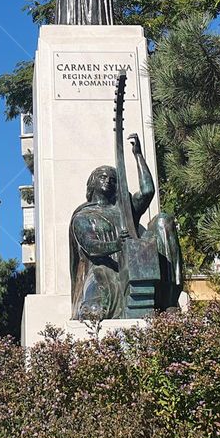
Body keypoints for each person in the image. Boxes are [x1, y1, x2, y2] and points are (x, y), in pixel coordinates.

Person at [69, 134, 183, 320]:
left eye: (113, 179)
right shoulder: (83, 216)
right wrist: (117, 244)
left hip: (134, 263)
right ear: (92, 183)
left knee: (163, 221)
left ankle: (169, 301)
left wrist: (138, 155)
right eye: (102, 177)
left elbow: (147, 191)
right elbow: (91, 246)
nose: (108, 180)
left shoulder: (124, 209)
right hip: (104, 269)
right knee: (94, 311)